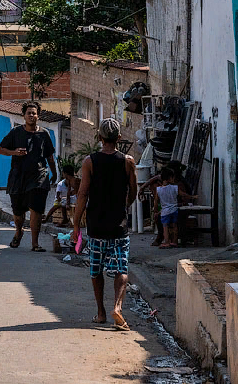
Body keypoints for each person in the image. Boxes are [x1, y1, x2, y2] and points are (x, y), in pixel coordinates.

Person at [74, 117, 138, 331]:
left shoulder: (89, 162)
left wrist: (76, 224)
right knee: (121, 268)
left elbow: (82, 194)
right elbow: (133, 191)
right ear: (119, 138)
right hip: (118, 226)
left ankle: (101, 313)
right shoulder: (128, 161)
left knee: (96, 270)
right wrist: (124, 206)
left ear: (100, 138)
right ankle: (117, 308)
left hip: (96, 226)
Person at [0, 101, 57, 252]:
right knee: (18, 213)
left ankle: (35, 243)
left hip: (38, 176)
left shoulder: (44, 134)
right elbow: (2, 149)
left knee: (36, 210)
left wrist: (55, 172)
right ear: (24, 116)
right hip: (18, 177)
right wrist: (14, 152)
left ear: (38, 116)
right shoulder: (16, 132)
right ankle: (19, 231)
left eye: (34, 113)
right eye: (29, 113)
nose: (31, 115)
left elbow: (50, 156)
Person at [155, 167, 196, 248]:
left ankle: (167, 242)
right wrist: (192, 197)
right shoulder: (175, 188)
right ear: (169, 178)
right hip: (174, 210)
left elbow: (156, 201)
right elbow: (183, 194)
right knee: (174, 225)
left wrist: (156, 210)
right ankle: (174, 241)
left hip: (165, 211)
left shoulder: (159, 190)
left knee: (165, 226)